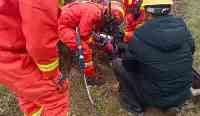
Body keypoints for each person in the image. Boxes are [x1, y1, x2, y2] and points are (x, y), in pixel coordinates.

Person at [112, 0, 195, 115]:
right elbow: (191, 50)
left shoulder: (140, 35)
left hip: (154, 97)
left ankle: (136, 108)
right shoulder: (183, 27)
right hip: (183, 93)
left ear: (147, 12)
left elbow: (129, 65)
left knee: (117, 64)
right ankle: (173, 106)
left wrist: (127, 50)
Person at [0, 0, 69, 116]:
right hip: (9, 53)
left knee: (30, 97)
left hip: (9, 45)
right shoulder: (92, 11)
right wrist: (52, 74)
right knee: (55, 95)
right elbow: (40, 37)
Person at [58, 0, 124, 85]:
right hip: (63, 25)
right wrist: (96, 40)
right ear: (109, 17)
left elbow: (91, 27)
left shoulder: (100, 11)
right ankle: (90, 77)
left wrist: (97, 38)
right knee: (85, 50)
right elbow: (83, 34)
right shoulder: (94, 13)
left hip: (69, 21)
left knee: (90, 45)